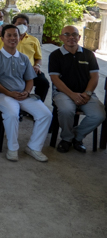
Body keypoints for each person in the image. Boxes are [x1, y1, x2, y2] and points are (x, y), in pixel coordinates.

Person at [0, 24, 52, 162]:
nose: (12, 38)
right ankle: (12, 148)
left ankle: (34, 147)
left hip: (23, 95)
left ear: (20, 37)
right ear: (2, 38)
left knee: (45, 114)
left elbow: (30, 79)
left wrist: (27, 92)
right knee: (12, 113)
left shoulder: (23, 58)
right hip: (3, 95)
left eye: (15, 35)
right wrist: (9, 93)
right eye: (8, 35)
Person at [48, 25, 106, 153]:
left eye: (74, 34)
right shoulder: (55, 55)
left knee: (99, 115)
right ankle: (66, 139)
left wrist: (88, 93)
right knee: (67, 110)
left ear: (79, 37)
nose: (71, 37)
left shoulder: (88, 54)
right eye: (67, 34)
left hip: (86, 93)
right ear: (61, 37)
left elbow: (94, 76)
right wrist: (72, 95)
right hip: (63, 93)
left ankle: (77, 136)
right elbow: (55, 79)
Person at [0, 13, 49, 102]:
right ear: (14, 25)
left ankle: (35, 103)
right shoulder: (4, 39)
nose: (22, 26)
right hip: (9, 70)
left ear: (28, 26)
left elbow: (38, 58)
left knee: (44, 83)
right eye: (19, 24)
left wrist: (37, 66)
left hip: (29, 70)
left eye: (24, 24)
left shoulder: (34, 40)